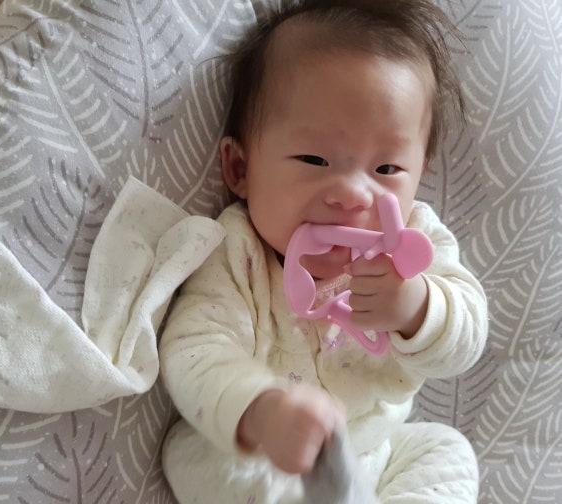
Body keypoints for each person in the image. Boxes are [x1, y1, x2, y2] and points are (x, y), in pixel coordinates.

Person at [158, 1, 488, 503]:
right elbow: (195, 348)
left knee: (446, 451)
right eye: (315, 159)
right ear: (240, 169)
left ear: (420, 174)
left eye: (387, 170)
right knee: (190, 454)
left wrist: (417, 307)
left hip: (374, 450)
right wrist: (263, 411)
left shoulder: (415, 244)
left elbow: (466, 338)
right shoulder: (237, 251)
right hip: (269, 451)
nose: (354, 194)